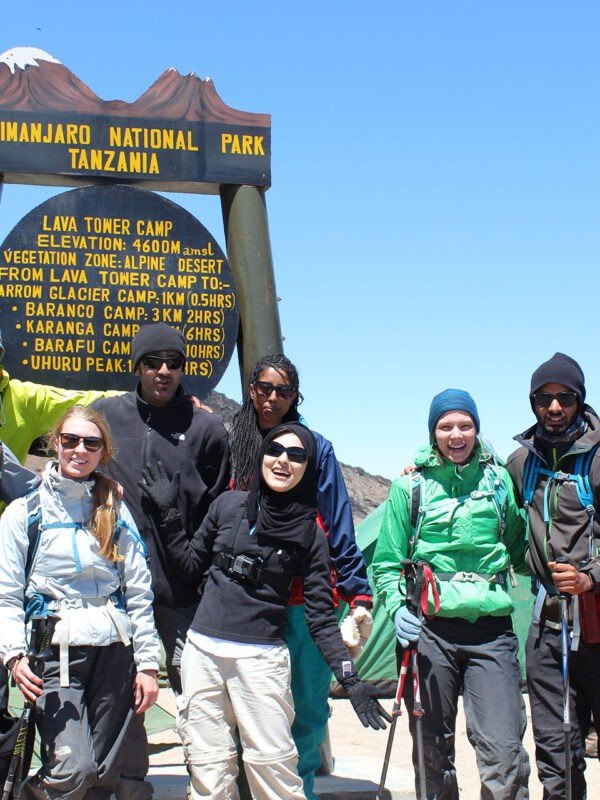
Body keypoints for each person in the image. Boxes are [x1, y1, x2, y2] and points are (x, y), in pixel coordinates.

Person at [140, 422, 390, 800]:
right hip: (202, 653)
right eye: (275, 451)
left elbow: (321, 618)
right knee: (208, 768)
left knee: (273, 767)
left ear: (309, 467)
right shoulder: (228, 506)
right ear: (260, 457)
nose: (283, 461)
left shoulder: (310, 533)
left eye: (297, 455)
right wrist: (169, 517)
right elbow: (190, 565)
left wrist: (350, 680)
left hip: (260, 659)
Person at [372, 389, 530, 800]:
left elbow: (516, 545)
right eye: (446, 427)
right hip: (429, 631)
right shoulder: (410, 488)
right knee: (431, 745)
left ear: (477, 430)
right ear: (433, 432)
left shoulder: (498, 483)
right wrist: (394, 607)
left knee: (504, 747)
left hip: (491, 630)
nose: (456, 435)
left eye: (465, 425)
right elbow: (387, 563)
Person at [229, 354, 372, 798]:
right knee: (247, 709)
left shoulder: (315, 447)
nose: (272, 398)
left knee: (307, 706)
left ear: (296, 396)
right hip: (247, 600)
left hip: (305, 600)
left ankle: (301, 790)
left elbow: (338, 519)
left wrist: (358, 591)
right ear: (251, 389)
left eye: (284, 391)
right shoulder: (233, 443)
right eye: (265, 388)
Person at [0, 405, 161, 800]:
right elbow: (6, 593)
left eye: (91, 443)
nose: (79, 450)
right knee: (75, 769)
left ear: (102, 451)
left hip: (114, 653)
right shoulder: (24, 513)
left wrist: (149, 666)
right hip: (54, 656)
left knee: (103, 772)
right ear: (56, 443)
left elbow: (138, 592)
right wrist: (14, 656)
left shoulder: (115, 510)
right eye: (70, 440)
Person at [93, 322, 230, 693]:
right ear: (137, 366)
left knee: (198, 695)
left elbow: (216, 512)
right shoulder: (104, 416)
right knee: (117, 696)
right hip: (115, 589)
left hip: (183, 593)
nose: (164, 371)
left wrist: (201, 574)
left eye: (173, 362)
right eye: (152, 362)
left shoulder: (207, 428)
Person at [506, 353, 600, 800]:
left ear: (581, 400)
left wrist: (590, 577)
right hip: (548, 627)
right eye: (544, 398)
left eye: (565, 397)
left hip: (597, 618)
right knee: (557, 748)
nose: (555, 407)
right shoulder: (521, 464)